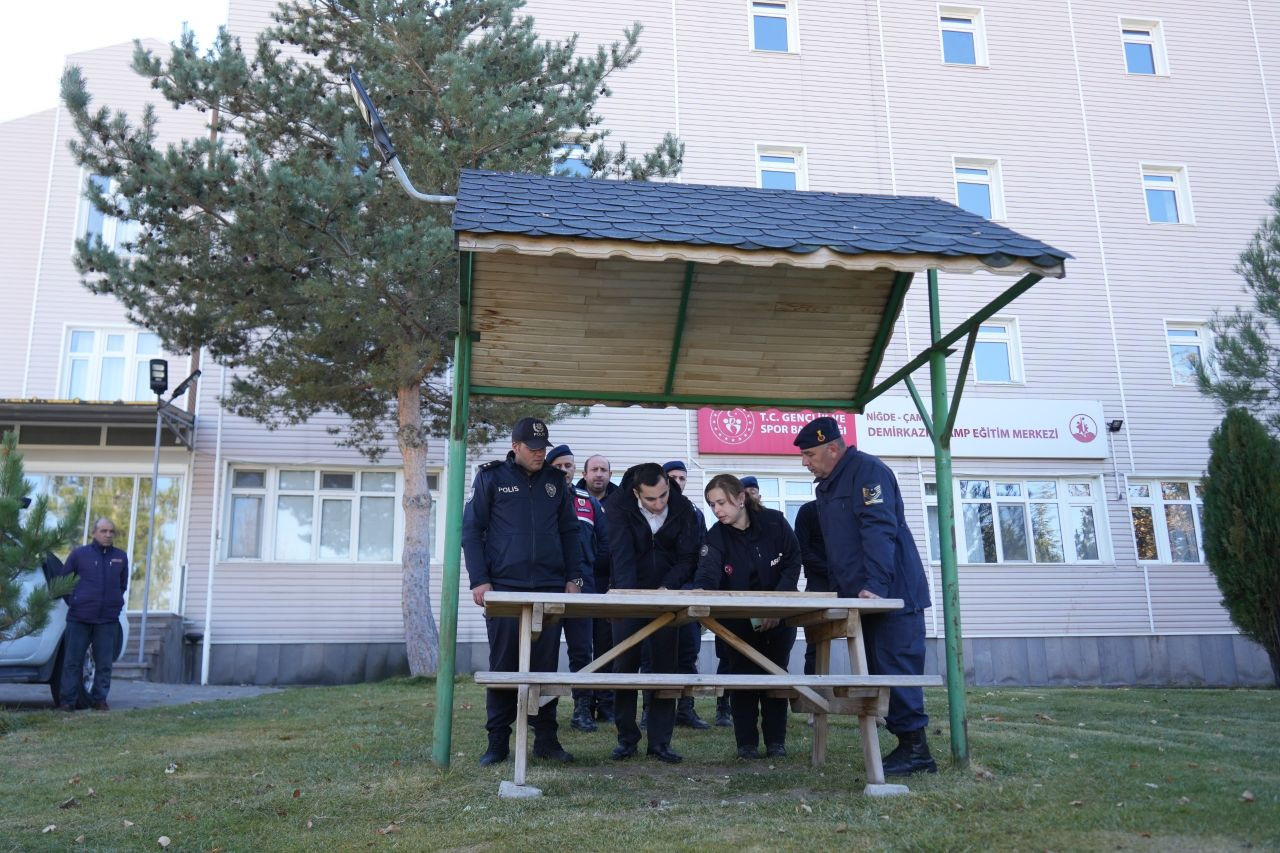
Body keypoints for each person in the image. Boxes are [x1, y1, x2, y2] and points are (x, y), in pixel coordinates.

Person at [794, 416, 936, 775]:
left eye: (810, 454)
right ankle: (905, 744)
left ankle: (917, 749)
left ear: (833, 448)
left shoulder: (868, 472)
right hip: (863, 597)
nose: (805, 462)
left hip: (890, 594)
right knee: (876, 672)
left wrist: (876, 586)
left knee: (895, 668)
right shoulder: (829, 484)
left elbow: (878, 531)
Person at [463, 417, 588, 766]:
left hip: (549, 586)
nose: (539, 455)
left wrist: (573, 578)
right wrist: (479, 579)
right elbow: (472, 531)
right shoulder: (491, 478)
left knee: (544, 668)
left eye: (542, 449)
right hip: (505, 588)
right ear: (515, 446)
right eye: (532, 449)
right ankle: (497, 741)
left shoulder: (554, 482)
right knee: (503, 666)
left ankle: (546, 738)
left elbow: (570, 532)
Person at [692, 475, 800, 759]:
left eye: (721, 502)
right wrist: (700, 590)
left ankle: (776, 742)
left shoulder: (776, 522)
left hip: (779, 619)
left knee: (776, 677)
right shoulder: (716, 535)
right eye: (712, 504)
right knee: (741, 680)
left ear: (740, 498)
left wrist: (776, 607)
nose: (717, 510)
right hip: (737, 624)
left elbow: (792, 561)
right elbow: (707, 574)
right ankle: (746, 745)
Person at [604, 462, 702, 764]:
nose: (659, 504)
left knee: (664, 670)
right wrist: (631, 600)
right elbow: (621, 556)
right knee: (624, 669)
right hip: (628, 594)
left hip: (666, 597)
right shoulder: (617, 507)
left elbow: (687, 558)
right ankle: (626, 739)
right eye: (651, 499)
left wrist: (666, 589)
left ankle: (660, 742)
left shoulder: (684, 509)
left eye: (663, 495)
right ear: (636, 493)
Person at [547, 444, 610, 733]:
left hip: (583, 586)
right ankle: (542, 713)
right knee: (543, 652)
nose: (563, 471)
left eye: (568, 466)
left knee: (582, 651)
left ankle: (582, 710)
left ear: (575, 471)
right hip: (545, 585)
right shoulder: (536, 499)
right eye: (558, 466)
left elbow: (604, 545)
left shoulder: (588, 502)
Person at [55, 517, 128, 711]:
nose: (108, 535)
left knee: (104, 663)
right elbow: (62, 582)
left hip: (107, 620)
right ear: (94, 533)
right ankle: (67, 701)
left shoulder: (121, 557)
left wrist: (114, 605)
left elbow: (122, 586)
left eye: (111, 531)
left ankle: (99, 699)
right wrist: (74, 602)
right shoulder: (79, 555)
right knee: (72, 662)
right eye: (103, 531)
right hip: (79, 618)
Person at [660, 460, 711, 730]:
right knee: (655, 655)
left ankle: (686, 709)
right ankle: (652, 710)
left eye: (682, 478)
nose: (678, 482)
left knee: (688, 653)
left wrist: (697, 589)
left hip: (688, 591)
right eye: (673, 477)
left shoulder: (694, 513)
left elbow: (702, 553)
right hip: (659, 593)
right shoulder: (653, 510)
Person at [577, 454, 618, 722]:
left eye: (604, 469)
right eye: (595, 469)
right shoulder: (573, 496)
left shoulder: (621, 500)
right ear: (586, 473)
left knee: (606, 645)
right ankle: (583, 703)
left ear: (610, 474)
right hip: (580, 581)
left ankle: (606, 703)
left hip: (609, 582)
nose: (599, 474)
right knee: (581, 646)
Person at [793, 500, 829, 676]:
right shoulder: (809, 510)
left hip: (850, 580)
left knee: (863, 634)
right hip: (819, 583)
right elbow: (801, 550)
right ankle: (812, 694)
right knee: (816, 640)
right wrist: (831, 570)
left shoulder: (849, 508)